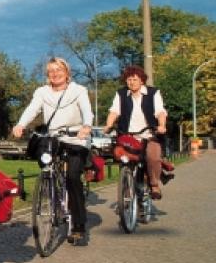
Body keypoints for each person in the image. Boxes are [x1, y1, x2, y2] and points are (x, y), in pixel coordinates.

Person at [12, 57, 93, 246]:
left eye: (59, 70)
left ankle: (79, 226)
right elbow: (32, 109)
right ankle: (51, 187)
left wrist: (86, 126)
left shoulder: (78, 91)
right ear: (47, 75)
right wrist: (20, 124)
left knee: (73, 177)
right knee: (45, 160)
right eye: (51, 71)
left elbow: (87, 110)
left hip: (75, 137)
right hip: (54, 137)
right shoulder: (42, 92)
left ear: (67, 72)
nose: (55, 74)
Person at [104, 64, 167, 200]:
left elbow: (160, 111)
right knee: (121, 156)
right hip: (127, 136)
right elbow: (114, 111)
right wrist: (108, 125)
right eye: (128, 79)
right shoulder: (121, 94)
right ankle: (126, 183)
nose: (131, 82)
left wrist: (161, 125)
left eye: (134, 79)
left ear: (142, 80)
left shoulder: (153, 93)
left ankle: (154, 184)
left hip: (149, 135)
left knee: (153, 156)